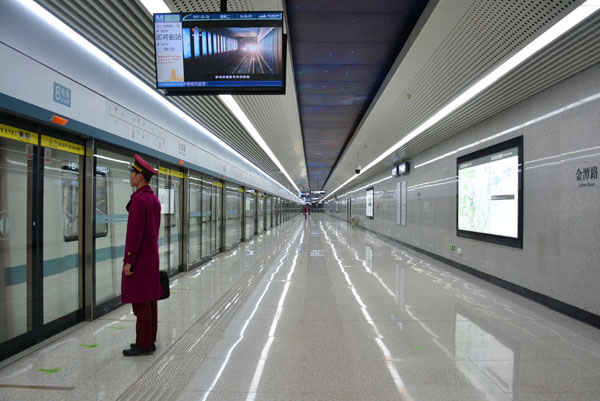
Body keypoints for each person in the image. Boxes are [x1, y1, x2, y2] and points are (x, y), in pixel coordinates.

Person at [122, 154, 163, 356]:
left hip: (139, 260)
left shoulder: (139, 200)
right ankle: (149, 340)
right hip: (151, 258)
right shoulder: (154, 200)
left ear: (140, 177)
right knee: (150, 300)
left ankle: (144, 345)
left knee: (140, 304)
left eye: (132, 173)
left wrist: (129, 261)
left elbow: (134, 234)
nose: (130, 176)